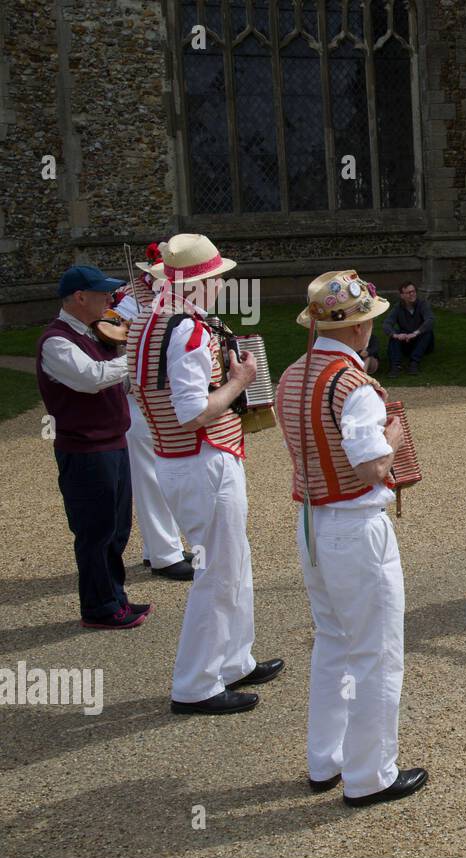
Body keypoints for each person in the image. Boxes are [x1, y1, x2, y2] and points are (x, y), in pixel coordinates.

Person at [275, 268, 426, 807]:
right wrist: (394, 437)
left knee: (333, 643)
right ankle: (370, 775)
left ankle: (326, 759)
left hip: (311, 520)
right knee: (376, 652)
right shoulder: (354, 386)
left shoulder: (291, 375)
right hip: (355, 525)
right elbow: (372, 468)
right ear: (359, 329)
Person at [126, 234, 283, 715]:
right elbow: (192, 410)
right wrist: (239, 381)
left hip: (186, 459)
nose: (220, 287)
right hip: (202, 457)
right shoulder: (188, 332)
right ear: (202, 283)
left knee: (233, 561)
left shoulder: (149, 321)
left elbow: (143, 393)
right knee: (216, 571)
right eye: (216, 280)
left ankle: (235, 659)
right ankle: (196, 684)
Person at [37, 265, 151, 630]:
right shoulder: (56, 341)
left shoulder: (95, 335)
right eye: (102, 294)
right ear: (80, 297)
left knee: (116, 528)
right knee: (94, 531)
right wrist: (132, 355)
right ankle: (99, 607)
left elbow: (119, 384)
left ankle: (114, 596)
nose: (110, 300)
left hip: (112, 444)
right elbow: (91, 379)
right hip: (85, 449)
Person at [112, 242, 193, 581]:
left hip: (160, 398)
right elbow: (113, 339)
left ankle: (159, 547)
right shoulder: (130, 301)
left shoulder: (164, 297)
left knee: (162, 473)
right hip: (139, 400)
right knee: (150, 475)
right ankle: (164, 555)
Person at [383, 281, 434, 376]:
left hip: (421, 341)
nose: (412, 294)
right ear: (402, 295)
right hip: (406, 341)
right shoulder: (397, 308)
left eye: (413, 291)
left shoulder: (423, 304)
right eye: (408, 293)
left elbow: (430, 320)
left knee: (427, 332)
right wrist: (396, 335)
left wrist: (416, 333)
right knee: (394, 335)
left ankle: (414, 363)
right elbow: (387, 324)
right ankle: (395, 366)